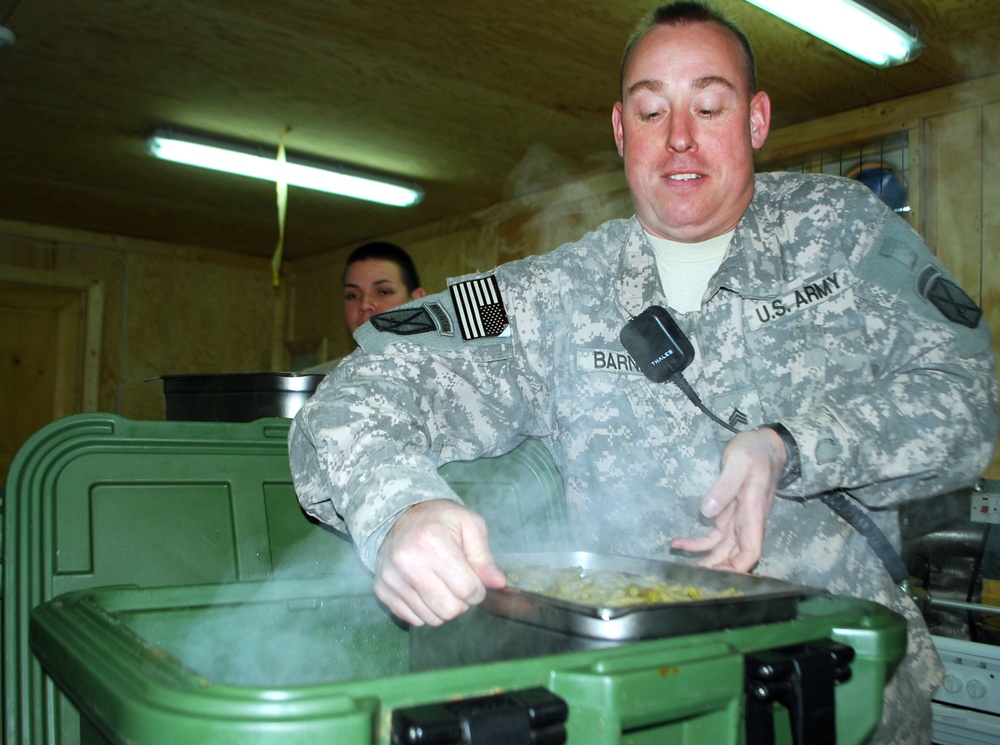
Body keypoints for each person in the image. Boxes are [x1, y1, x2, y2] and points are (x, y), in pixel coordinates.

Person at [289, 3, 997, 743]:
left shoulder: (843, 231)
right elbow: (350, 398)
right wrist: (400, 507)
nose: (680, 137)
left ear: (755, 120)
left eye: (709, 106)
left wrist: (790, 445)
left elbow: (965, 399)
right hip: (654, 711)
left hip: (848, 701)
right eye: (652, 110)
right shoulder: (559, 294)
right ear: (622, 131)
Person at [303, 241, 426, 373]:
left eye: (383, 292)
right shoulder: (316, 382)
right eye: (353, 295)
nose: (364, 305)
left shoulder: (444, 378)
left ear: (418, 299)